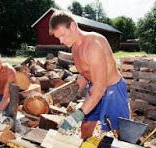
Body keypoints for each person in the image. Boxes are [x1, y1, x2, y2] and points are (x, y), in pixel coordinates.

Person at [49, 11, 129, 140]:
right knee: (86, 125)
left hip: (113, 90)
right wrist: (65, 93)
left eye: (63, 35)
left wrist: (76, 116)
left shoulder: (93, 45)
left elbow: (99, 89)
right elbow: (85, 74)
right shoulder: (75, 47)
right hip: (96, 87)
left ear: (73, 26)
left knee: (121, 131)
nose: (61, 41)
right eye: (59, 37)